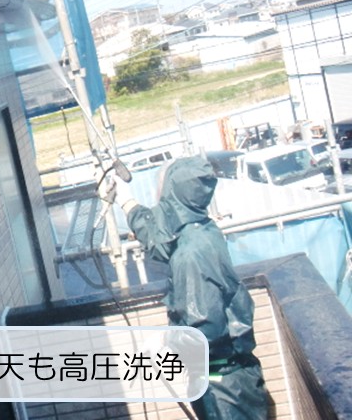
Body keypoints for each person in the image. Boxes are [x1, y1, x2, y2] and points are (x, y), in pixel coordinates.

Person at [114, 156, 268, 419]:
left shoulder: (190, 255)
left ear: (172, 195)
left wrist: (163, 340)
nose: (157, 197)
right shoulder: (202, 230)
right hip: (233, 378)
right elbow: (161, 239)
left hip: (222, 390)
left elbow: (206, 331)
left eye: (160, 190)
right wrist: (126, 200)